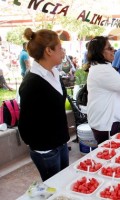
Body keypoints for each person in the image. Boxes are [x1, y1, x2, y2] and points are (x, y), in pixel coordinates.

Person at [18, 28, 69, 181]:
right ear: (48, 51)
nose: (63, 51)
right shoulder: (31, 83)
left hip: (60, 142)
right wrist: (41, 146)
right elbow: (25, 123)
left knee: (64, 183)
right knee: (53, 188)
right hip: (46, 149)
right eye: (60, 48)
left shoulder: (54, 73)